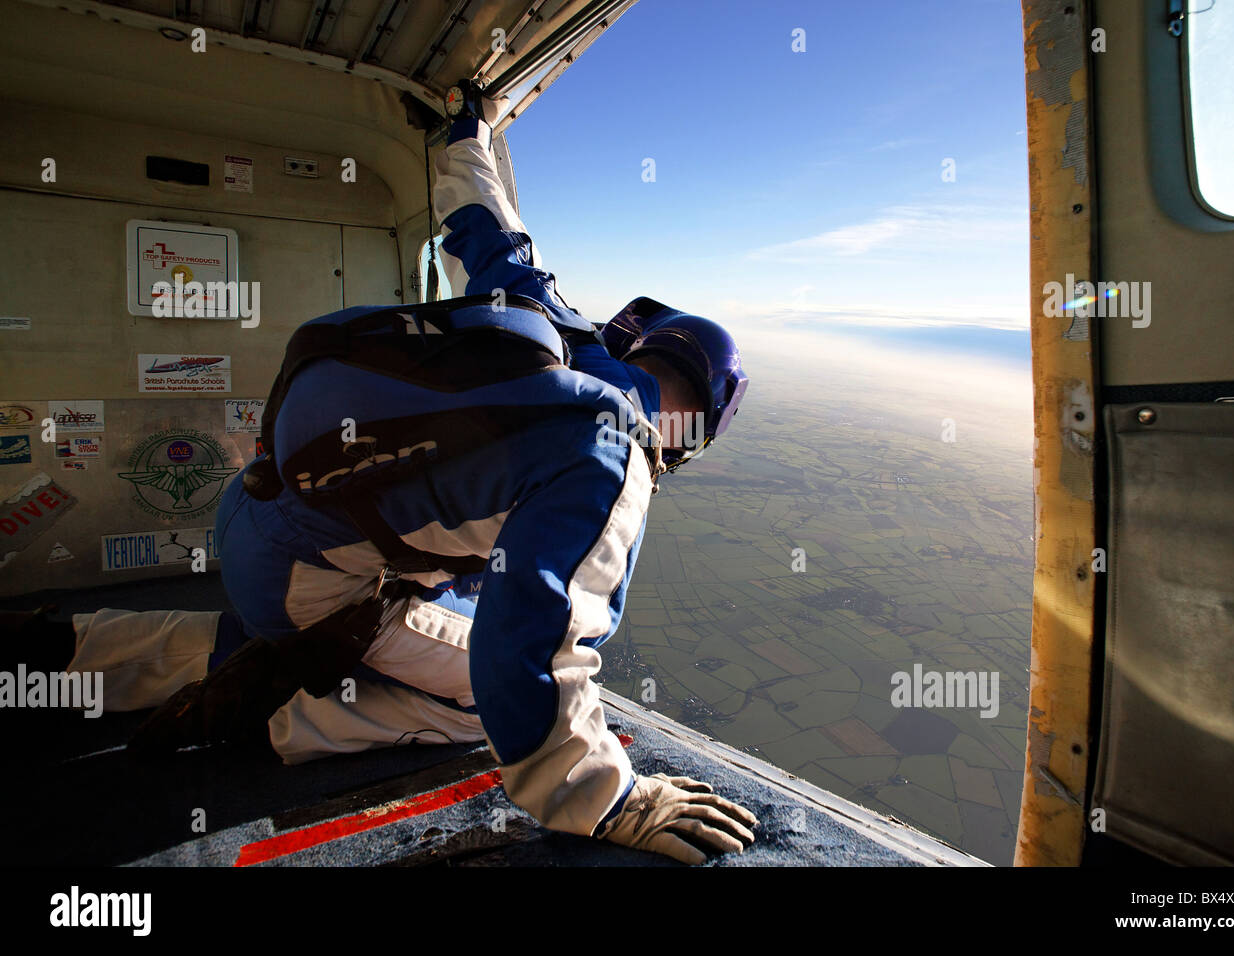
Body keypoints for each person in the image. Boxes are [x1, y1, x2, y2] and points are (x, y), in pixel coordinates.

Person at [2, 84, 754, 866]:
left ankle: (70, 647)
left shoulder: (552, 322)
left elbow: (489, 229)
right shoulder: (617, 453)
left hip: (254, 509)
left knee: (443, 603)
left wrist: (469, 132)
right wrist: (609, 799)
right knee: (485, 702)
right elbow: (535, 653)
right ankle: (278, 711)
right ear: (692, 435)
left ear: (637, 346)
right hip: (307, 575)